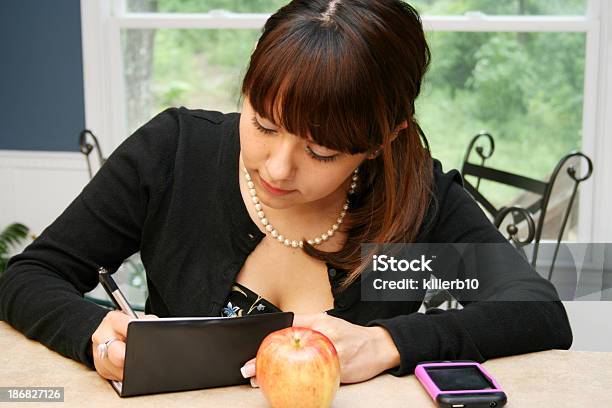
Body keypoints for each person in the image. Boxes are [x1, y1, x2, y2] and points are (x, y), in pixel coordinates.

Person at [0, 0, 571, 388]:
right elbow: (29, 276)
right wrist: (93, 332)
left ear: (380, 142)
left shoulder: (413, 202)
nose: (277, 166)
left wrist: (388, 342)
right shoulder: (174, 154)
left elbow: (535, 311)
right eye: (264, 123)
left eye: (321, 153)